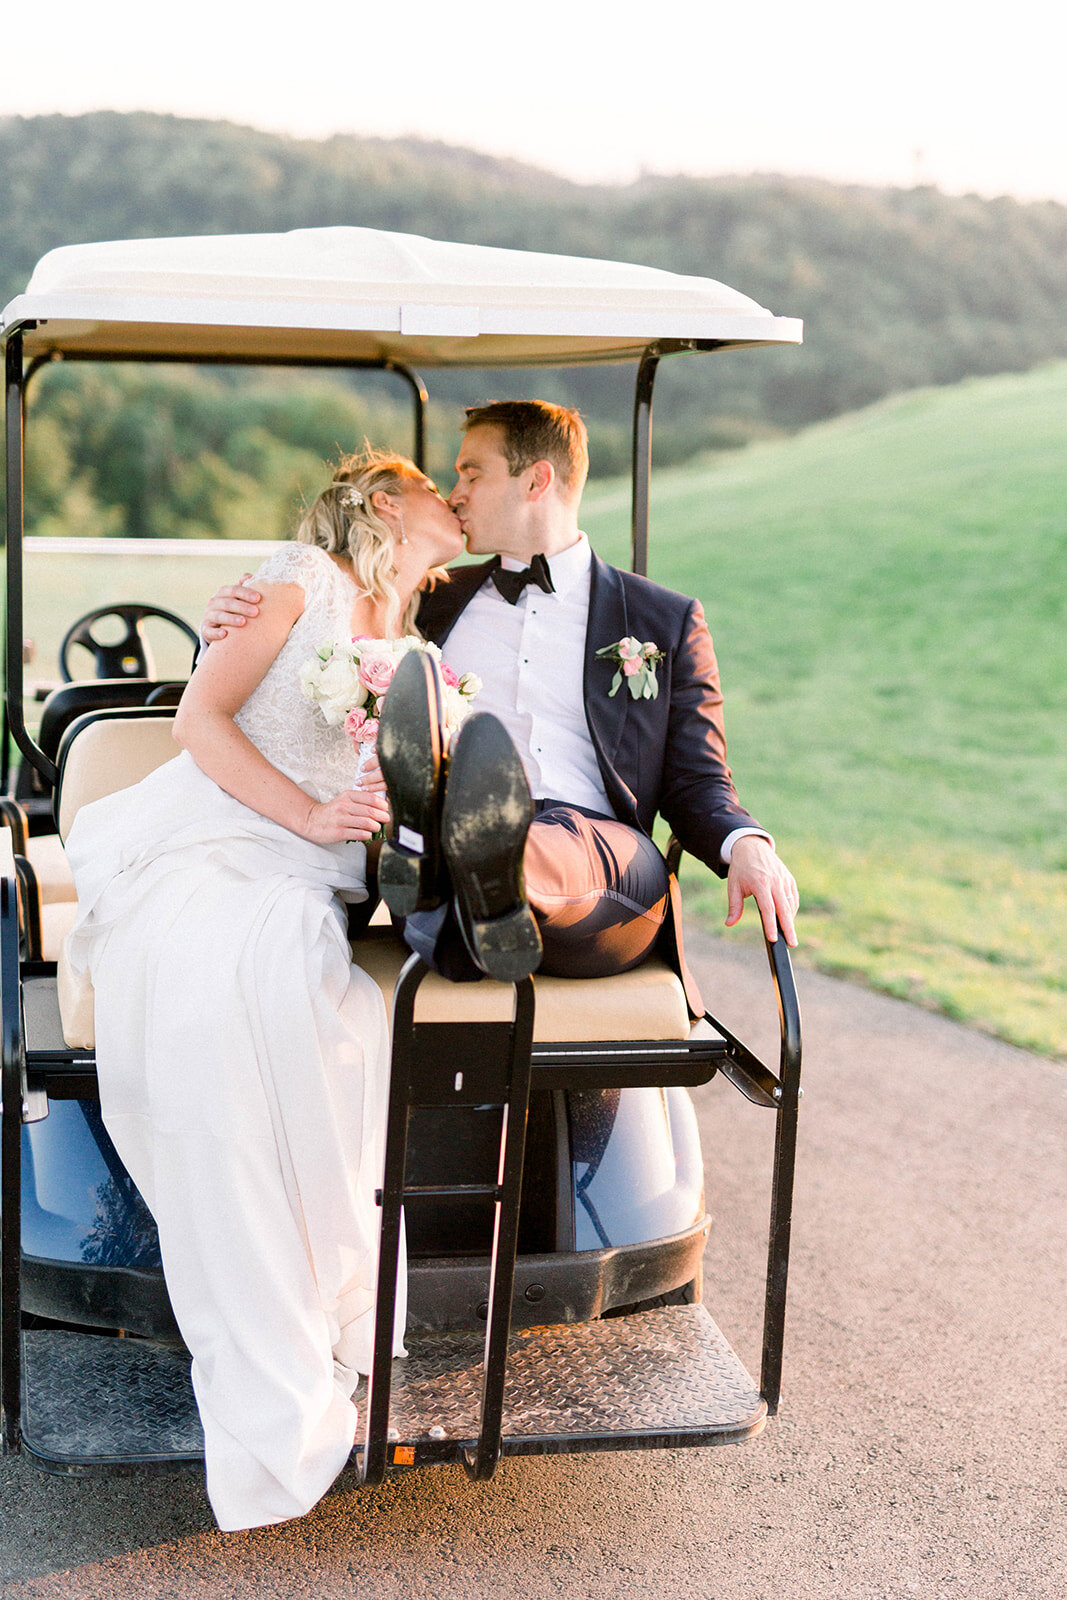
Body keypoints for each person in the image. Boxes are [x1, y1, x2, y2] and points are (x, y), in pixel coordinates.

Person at [62, 448, 466, 1531]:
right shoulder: (296, 579)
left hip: (318, 870)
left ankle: (327, 1305)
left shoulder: (424, 638)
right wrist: (307, 816)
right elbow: (201, 722)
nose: (457, 498)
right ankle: (276, 1352)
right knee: (231, 1001)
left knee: (319, 1004)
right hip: (223, 837)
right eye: (439, 484)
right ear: (387, 501)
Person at [205, 402, 798, 1000]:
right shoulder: (423, 602)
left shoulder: (662, 620)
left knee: (533, 840)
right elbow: (310, 660)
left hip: (598, 864)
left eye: (472, 474)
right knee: (444, 840)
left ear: (537, 480)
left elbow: (698, 778)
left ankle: (481, 862)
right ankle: (467, 889)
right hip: (437, 840)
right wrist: (234, 620)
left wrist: (745, 843)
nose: (457, 493)